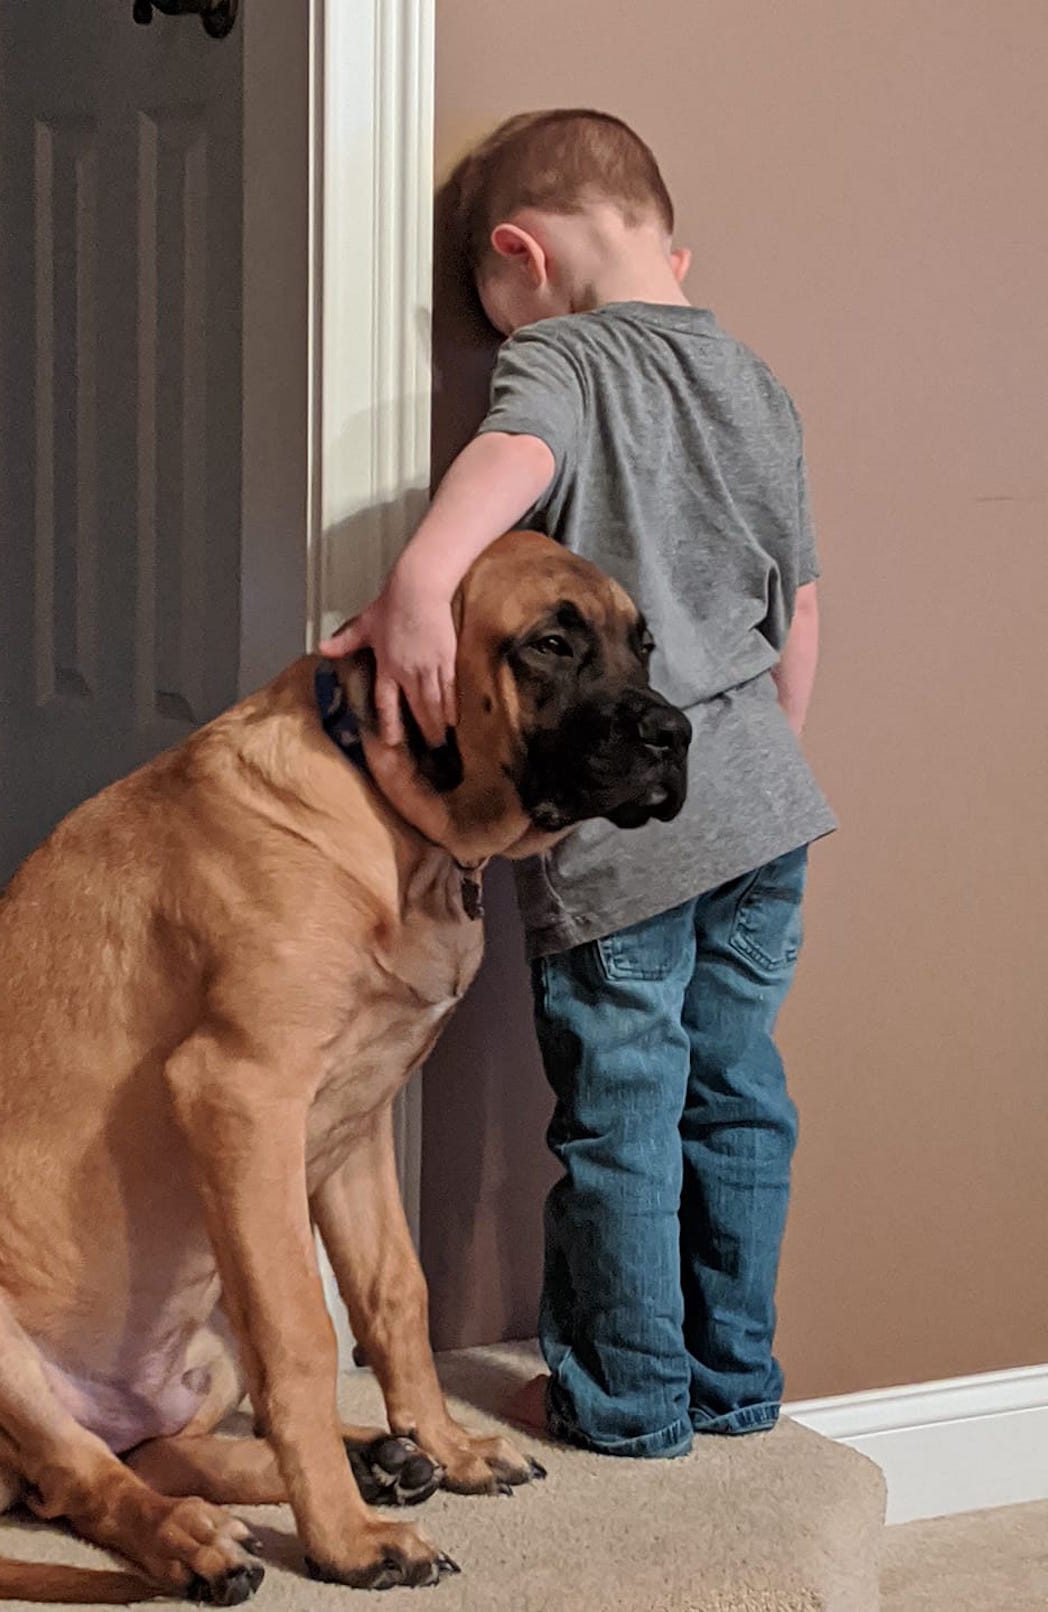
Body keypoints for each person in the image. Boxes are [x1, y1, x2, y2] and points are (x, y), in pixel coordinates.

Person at [321, 109, 836, 1459]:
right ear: (676, 248)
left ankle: (626, 1402)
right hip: (769, 808)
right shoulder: (757, 380)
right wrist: (761, 772)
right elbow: (804, 619)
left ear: (520, 258)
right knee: (738, 1093)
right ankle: (736, 1383)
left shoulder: (563, 358)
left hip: (630, 841)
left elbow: (516, 459)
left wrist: (423, 578)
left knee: (622, 1109)